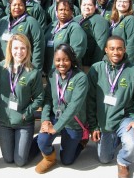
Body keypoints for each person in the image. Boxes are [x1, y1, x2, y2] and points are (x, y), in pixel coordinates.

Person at [86, 36, 134, 178]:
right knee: (104, 159)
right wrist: (93, 126)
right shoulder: (96, 69)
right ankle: (114, 138)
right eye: (112, 49)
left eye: (119, 48)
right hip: (104, 121)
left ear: (125, 49)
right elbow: (89, 100)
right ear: (106, 50)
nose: (116, 52)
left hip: (125, 118)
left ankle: (123, 162)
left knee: (132, 143)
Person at [0, 33, 44, 167]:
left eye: (22, 48)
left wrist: (27, 113)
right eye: (15, 48)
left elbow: (39, 97)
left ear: (27, 50)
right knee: (8, 159)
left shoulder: (33, 72)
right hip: (5, 121)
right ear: (10, 49)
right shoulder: (1, 67)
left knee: (20, 161)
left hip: (23, 122)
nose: (19, 52)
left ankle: (37, 142)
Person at [35, 43, 88, 174]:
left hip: (73, 122)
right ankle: (50, 158)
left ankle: (81, 142)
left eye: (65, 59)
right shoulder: (53, 74)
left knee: (67, 161)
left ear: (72, 60)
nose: (61, 63)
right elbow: (47, 99)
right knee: (42, 141)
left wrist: (55, 128)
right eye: (58, 60)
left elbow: (74, 107)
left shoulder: (80, 78)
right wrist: (45, 119)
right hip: (55, 116)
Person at [0, 0, 45, 71]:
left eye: (20, 5)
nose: (17, 7)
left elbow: (38, 47)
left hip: (25, 67)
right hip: (4, 66)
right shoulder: (2, 21)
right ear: (10, 7)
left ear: (25, 7)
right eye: (14, 5)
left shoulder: (31, 22)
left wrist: (35, 70)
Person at [43, 0, 87, 75]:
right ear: (56, 11)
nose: (63, 12)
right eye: (60, 10)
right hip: (50, 71)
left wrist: (63, 68)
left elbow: (76, 53)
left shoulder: (75, 28)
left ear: (72, 12)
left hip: (66, 72)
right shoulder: (52, 25)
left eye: (66, 10)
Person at [74, 0, 109, 73]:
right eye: (84, 5)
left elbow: (101, 45)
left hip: (89, 64)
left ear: (94, 6)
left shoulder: (99, 21)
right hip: (75, 63)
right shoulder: (75, 19)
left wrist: (94, 66)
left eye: (89, 5)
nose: (86, 7)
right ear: (80, 6)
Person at [110, 0, 134, 64]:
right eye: (119, 1)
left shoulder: (131, 19)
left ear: (129, 4)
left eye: (125, 2)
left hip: (124, 61)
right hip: (114, 58)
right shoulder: (114, 19)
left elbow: (132, 44)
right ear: (116, 2)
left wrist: (127, 63)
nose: (122, 4)